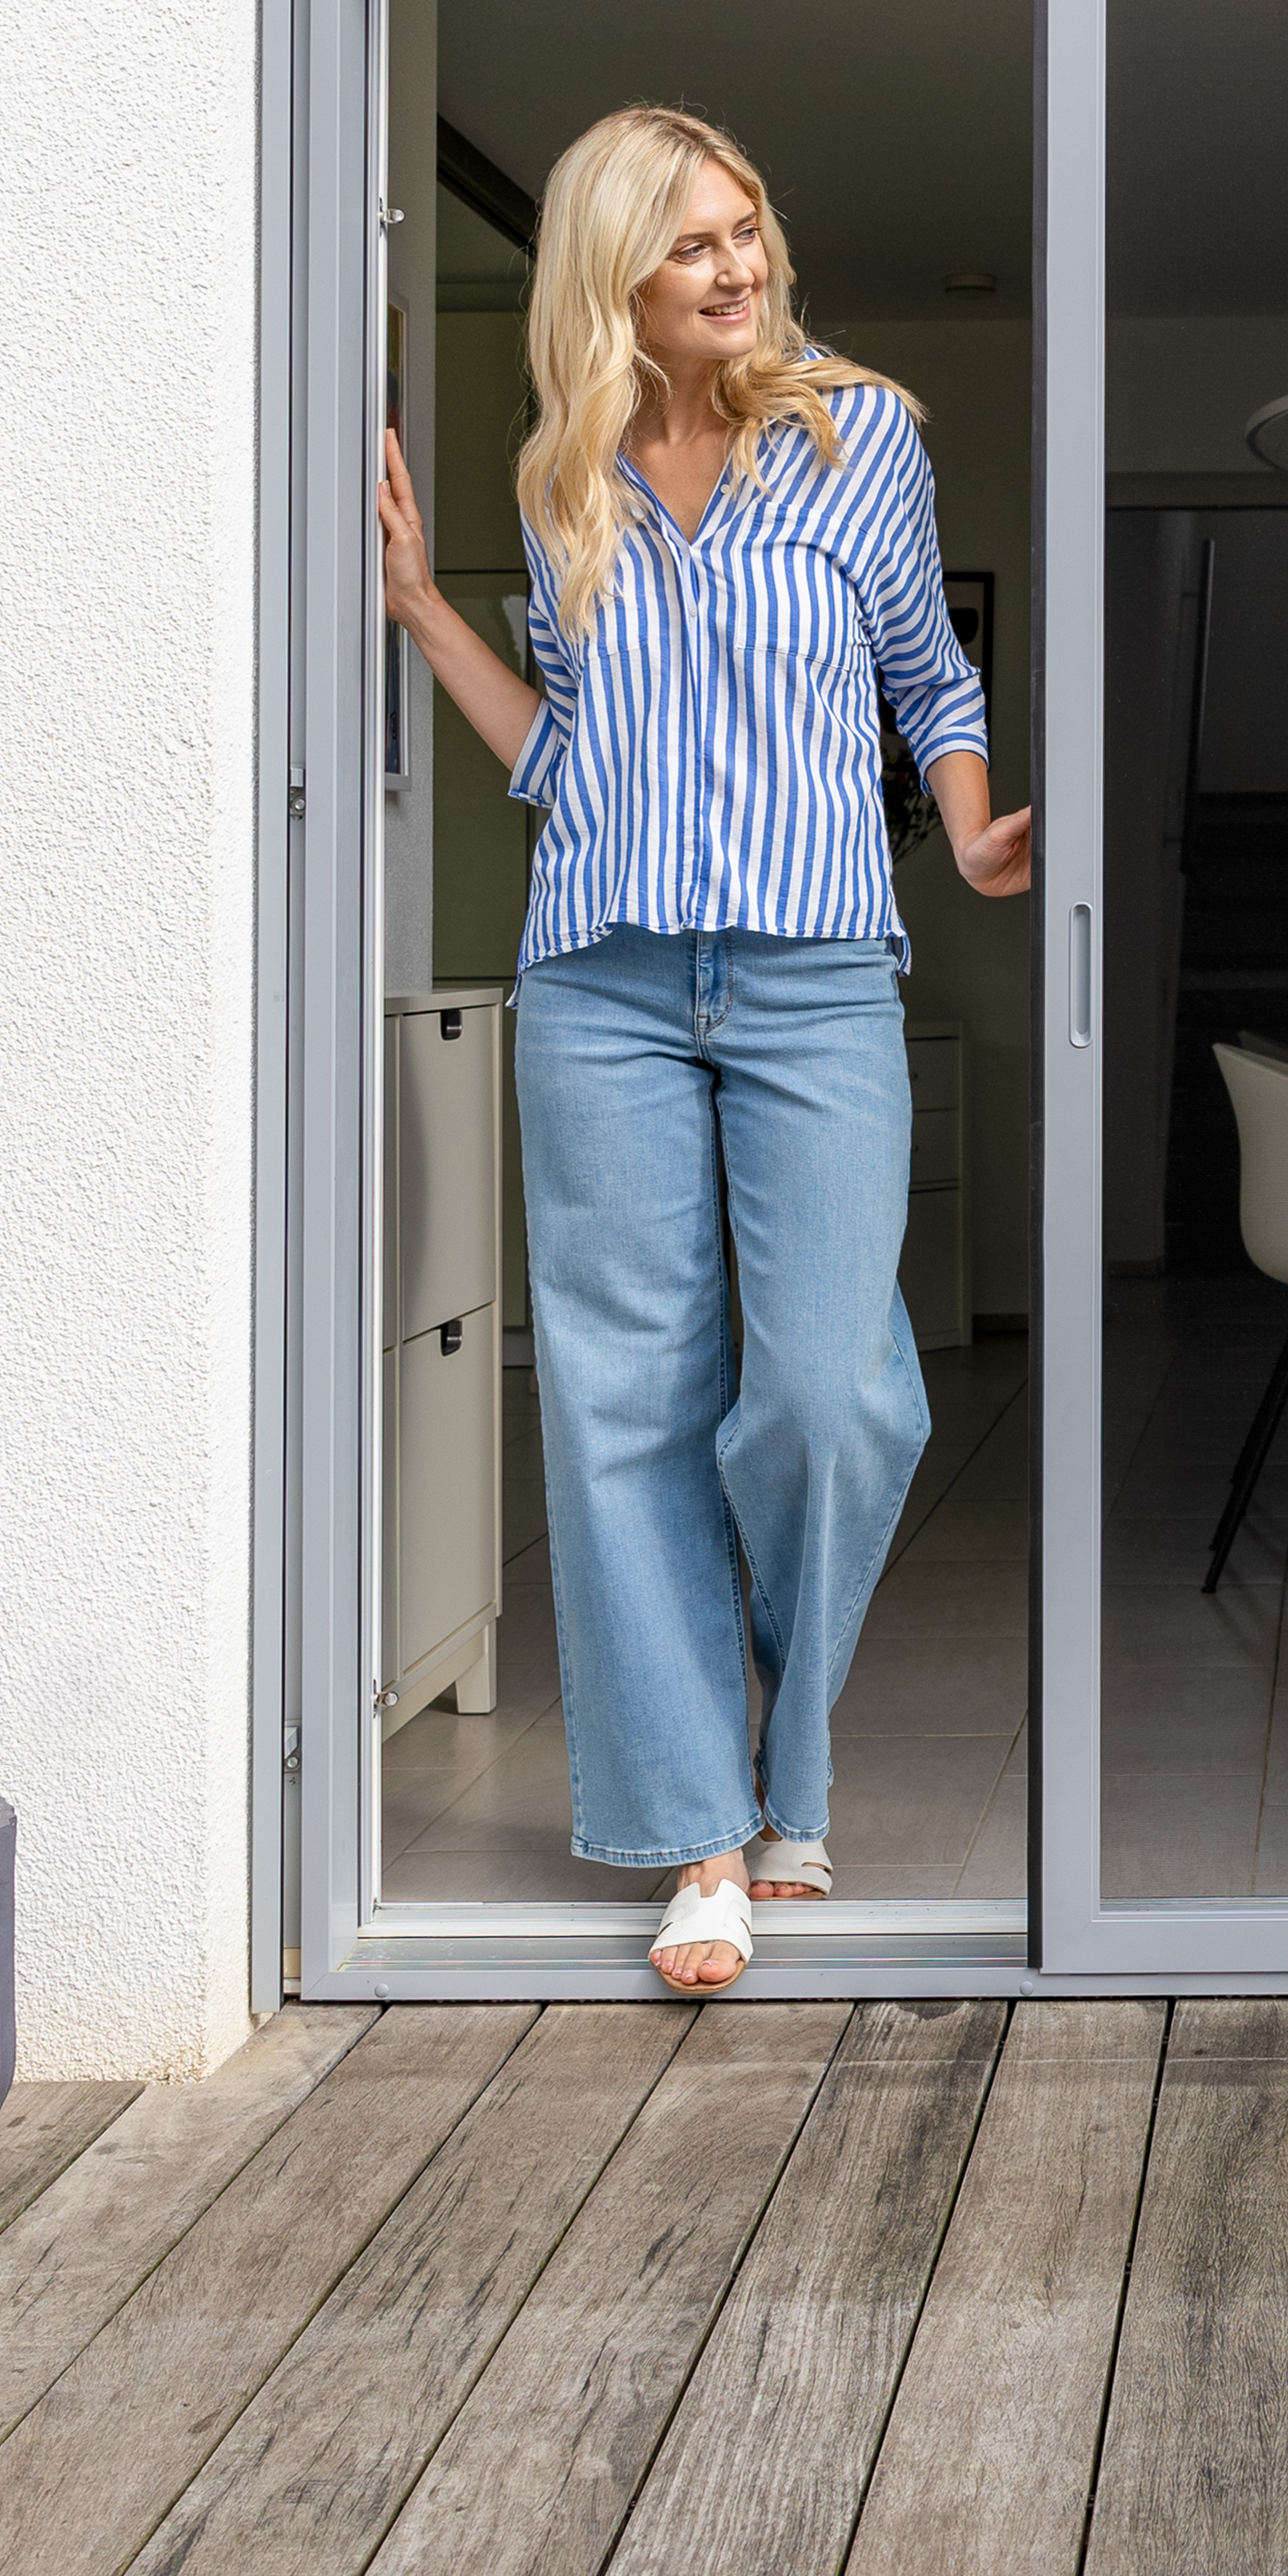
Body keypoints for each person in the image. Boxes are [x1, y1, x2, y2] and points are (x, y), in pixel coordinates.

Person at [374, 105, 1029, 1993]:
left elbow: (933, 677)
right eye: (693, 247)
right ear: (614, 280)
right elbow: (568, 747)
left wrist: (974, 826)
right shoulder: (559, 475)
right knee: (624, 1402)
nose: (738, 267)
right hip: (602, 977)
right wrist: (422, 606)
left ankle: (785, 1746)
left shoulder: (861, 434)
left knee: (832, 1392)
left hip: (820, 967)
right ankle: (707, 1841)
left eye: (749, 228)